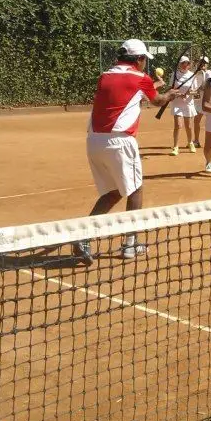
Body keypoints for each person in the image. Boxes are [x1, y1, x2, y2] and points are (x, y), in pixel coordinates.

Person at [76, 38, 176, 264]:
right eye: (144, 59)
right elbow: (158, 101)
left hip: (94, 141)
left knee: (114, 192)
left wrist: (157, 89)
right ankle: (130, 244)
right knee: (135, 190)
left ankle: (83, 236)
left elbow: (128, 92)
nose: (145, 63)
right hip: (120, 141)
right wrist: (171, 94)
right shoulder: (141, 78)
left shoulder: (105, 76)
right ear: (138, 59)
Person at [169, 55, 198, 155]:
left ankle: (190, 143)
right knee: (178, 125)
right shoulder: (174, 75)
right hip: (177, 104)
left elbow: (196, 92)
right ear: (179, 64)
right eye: (183, 63)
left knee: (188, 126)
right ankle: (175, 147)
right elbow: (171, 89)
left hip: (188, 104)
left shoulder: (192, 75)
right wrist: (178, 94)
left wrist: (189, 93)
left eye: (187, 63)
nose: (185, 65)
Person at [191, 57, 211, 147]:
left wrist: (198, 89)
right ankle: (196, 141)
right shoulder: (197, 73)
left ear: (207, 64)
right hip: (199, 102)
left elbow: (207, 86)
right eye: (201, 62)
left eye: (204, 63)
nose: (202, 64)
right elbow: (195, 88)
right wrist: (192, 93)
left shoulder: (209, 73)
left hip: (207, 102)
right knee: (196, 121)